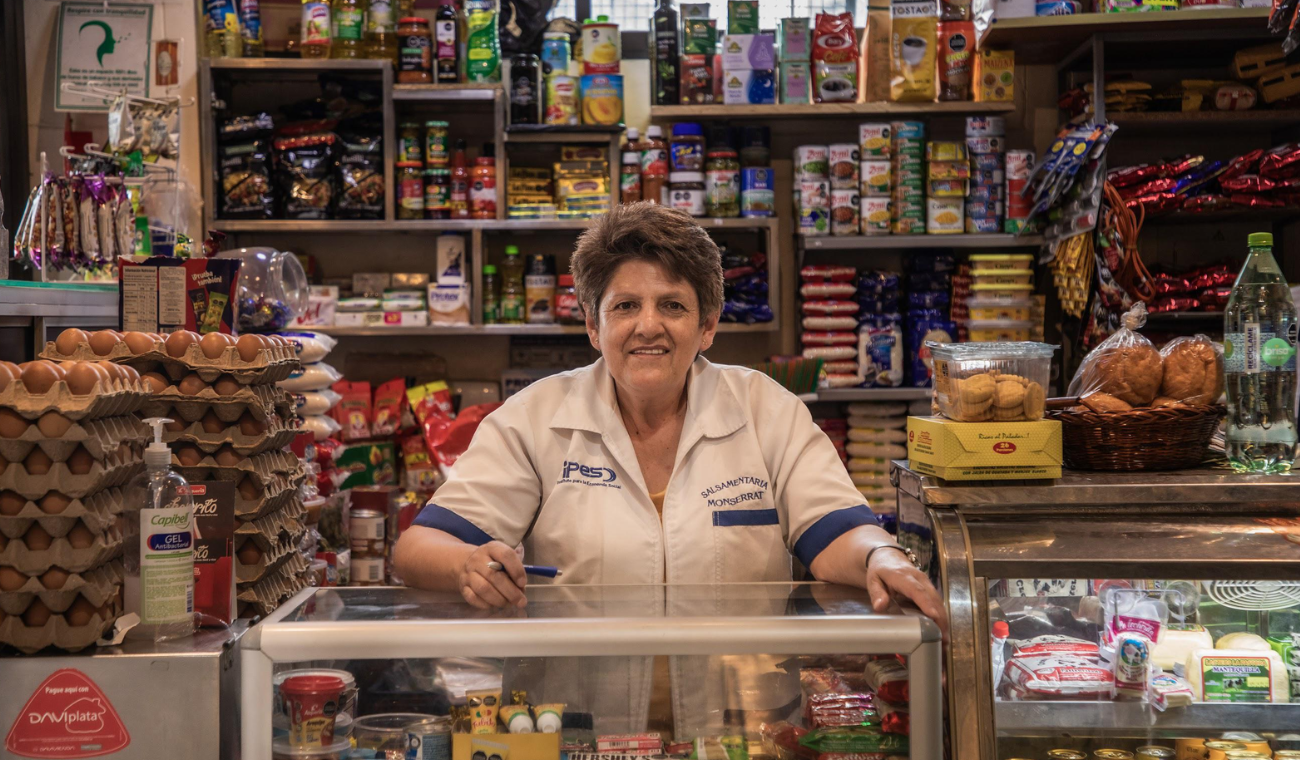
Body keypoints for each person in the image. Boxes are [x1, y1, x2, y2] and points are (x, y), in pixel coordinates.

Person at [394, 202, 947, 632]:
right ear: (594, 326)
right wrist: (468, 564)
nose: (648, 326)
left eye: (673, 306)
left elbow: (836, 531)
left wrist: (881, 557)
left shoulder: (766, 410)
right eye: (625, 306)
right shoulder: (535, 419)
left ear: (707, 326)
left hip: (740, 728)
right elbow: (418, 550)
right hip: (584, 727)